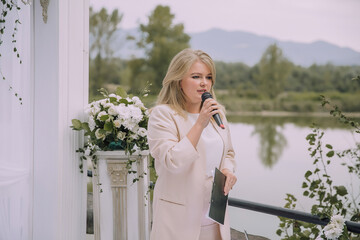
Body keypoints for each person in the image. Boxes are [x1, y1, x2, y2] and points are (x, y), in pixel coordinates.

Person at [148, 48, 237, 240]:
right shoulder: (163, 115)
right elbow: (173, 161)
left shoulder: (217, 113)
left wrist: (228, 171)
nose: (204, 83)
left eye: (209, 77)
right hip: (178, 221)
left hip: (214, 220)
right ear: (179, 80)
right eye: (196, 76)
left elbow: (228, 153)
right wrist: (200, 123)